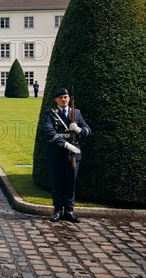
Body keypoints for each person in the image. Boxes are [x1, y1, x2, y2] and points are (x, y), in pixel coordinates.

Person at [43, 88, 91, 223]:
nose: (63, 100)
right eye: (61, 97)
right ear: (56, 100)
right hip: (57, 152)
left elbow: (88, 130)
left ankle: (69, 211)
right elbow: (49, 132)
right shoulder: (50, 114)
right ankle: (57, 210)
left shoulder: (77, 113)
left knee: (71, 183)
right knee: (57, 183)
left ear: (69, 98)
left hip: (73, 155)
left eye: (66, 97)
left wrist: (79, 129)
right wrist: (65, 144)